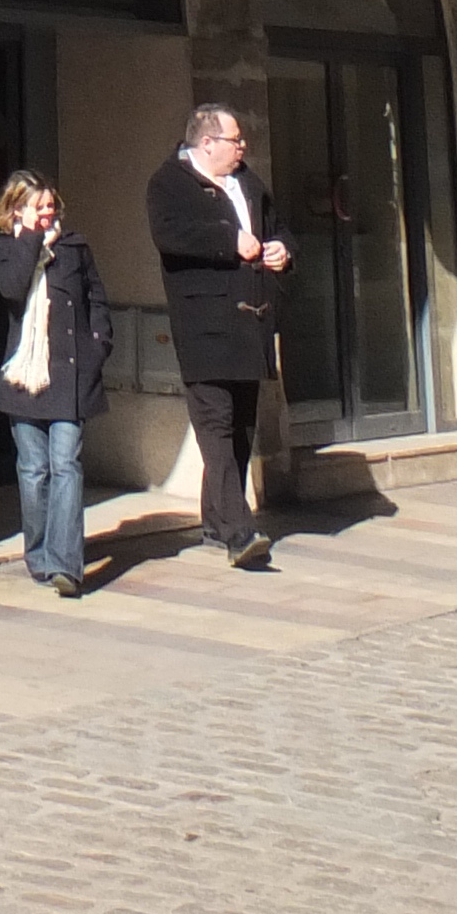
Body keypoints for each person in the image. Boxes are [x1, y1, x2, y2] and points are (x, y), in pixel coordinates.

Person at [146, 102, 292, 569]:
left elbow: (279, 227)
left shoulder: (247, 181)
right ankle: (238, 531)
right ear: (206, 143)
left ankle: (214, 518)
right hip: (204, 328)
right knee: (215, 425)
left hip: (251, 325)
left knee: (242, 427)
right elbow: (170, 236)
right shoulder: (168, 183)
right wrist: (229, 240)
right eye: (235, 140)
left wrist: (282, 250)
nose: (242, 148)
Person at [0, 168, 113, 596]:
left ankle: (66, 564)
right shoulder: (6, 248)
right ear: (17, 208)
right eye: (38, 206)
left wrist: (99, 344)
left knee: (66, 465)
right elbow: (12, 288)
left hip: (71, 374)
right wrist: (32, 240)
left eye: (50, 204)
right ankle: (38, 555)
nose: (48, 212)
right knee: (33, 470)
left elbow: (96, 297)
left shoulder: (75, 247)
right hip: (25, 376)